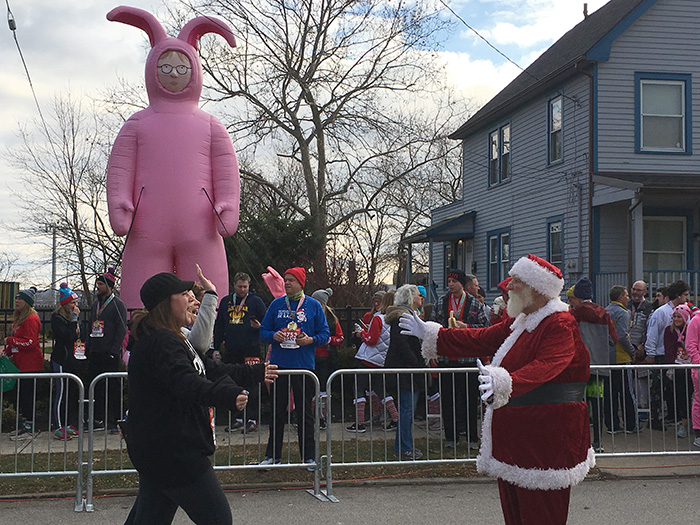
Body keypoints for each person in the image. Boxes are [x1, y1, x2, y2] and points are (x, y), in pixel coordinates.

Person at [400, 254, 593, 525]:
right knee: (516, 512)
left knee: (541, 513)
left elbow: (548, 364)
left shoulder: (559, 323)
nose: (508, 287)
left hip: (545, 440)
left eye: (515, 282)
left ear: (535, 289)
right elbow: (483, 338)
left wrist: (506, 382)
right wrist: (436, 335)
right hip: (518, 437)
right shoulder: (523, 320)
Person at [123, 271, 277, 524]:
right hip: (174, 450)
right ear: (165, 302)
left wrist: (254, 372)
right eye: (185, 295)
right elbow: (186, 383)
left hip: (161, 448)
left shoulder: (175, 338)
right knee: (217, 519)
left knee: (150, 517)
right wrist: (227, 396)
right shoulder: (161, 342)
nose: (193, 300)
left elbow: (212, 369)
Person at [259, 267, 330, 467]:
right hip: (279, 367)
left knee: (305, 413)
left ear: (301, 283)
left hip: (303, 367)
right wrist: (273, 335)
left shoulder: (313, 306)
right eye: (286, 280)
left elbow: (325, 334)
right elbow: (263, 330)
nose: (287, 283)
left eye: (291, 280)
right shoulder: (276, 304)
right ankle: (272, 456)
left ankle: (309, 456)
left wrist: (310, 340)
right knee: (276, 412)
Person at [432, 270, 490, 449]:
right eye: (448, 281)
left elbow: (484, 328)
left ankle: (472, 437)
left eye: (454, 281)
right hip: (446, 358)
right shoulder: (441, 302)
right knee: (447, 399)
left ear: (462, 284)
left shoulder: (474, 303)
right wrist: (432, 352)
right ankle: (451, 437)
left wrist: (467, 327)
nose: (450, 284)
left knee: (469, 400)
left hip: (468, 358)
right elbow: (432, 327)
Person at [213, 272, 267, 433]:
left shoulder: (256, 302)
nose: (242, 289)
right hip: (232, 349)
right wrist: (216, 348)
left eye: (245, 286)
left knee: (252, 383)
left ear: (249, 286)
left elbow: (266, 323)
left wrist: (260, 327)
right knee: (233, 383)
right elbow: (220, 326)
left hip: (251, 349)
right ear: (234, 285)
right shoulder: (225, 302)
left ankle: (252, 419)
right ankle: (237, 418)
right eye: (239, 286)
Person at [568, 278, 617, 451]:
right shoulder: (604, 313)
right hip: (599, 367)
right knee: (597, 405)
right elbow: (613, 340)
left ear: (578, 296)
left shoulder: (572, 314)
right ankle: (598, 442)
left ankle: (579, 443)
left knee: (578, 405)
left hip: (579, 367)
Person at [347, 291, 398, 432]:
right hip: (382, 360)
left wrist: (361, 333)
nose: (376, 304)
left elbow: (372, 340)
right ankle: (396, 418)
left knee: (358, 388)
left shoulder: (378, 318)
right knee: (380, 389)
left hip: (369, 359)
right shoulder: (394, 319)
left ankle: (359, 423)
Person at [384, 284, 425, 460]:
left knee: (407, 409)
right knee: (407, 409)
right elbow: (401, 343)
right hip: (406, 370)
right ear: (410, 298)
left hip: (407, 369)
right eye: (418, 295)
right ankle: (404, 448)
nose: (421, 298)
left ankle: (402, 447)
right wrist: (414, 362)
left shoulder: (408, 315)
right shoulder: (403, 317)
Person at [86, 268, 128, 433]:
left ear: (109, 286)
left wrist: (114, 350)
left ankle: (116, 419)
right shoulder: (95, 305)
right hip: (95, 351)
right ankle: (97, 418)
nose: (98, 286)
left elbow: (121, 329)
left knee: (112, 387)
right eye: (97, 283)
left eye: (101, 283)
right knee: (96, 386)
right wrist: (88, 345)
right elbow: (90, 325)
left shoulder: (119, 305)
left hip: (109, 353)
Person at [644, 280, 690, 429]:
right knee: (657, 388)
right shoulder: (661, 312)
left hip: (677, 357)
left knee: (675, 389)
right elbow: (652, 334)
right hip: (660, 355)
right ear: (677, 295)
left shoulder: (684, 311)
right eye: (684, 295)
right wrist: (650, 353)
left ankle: (675, 415)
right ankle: (654, 417)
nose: (686, 298)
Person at [4, 288, 43, 440]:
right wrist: (8, 351)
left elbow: (30, 342)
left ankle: (29, 429)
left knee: (28, 397)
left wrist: (10, 340)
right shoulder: (20, 319)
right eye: (16, 298)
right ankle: (23, 426)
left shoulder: (31, 319)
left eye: (20, 299)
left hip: (30, 365)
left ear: (27, 302)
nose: (17, 301)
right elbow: (19, 340)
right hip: (20, 365)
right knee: (21, 397)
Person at [50, 283, 84, 440]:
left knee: (71, 393)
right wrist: (73, 320)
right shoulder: (57, 319)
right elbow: (67, 337)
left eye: (76, 303)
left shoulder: (73, 320)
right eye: (72, 303)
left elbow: (77, 337)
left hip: (72, 360)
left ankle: (69, 423)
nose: (74, 306)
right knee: (61, 392)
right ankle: (58, 426)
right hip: (61, 360)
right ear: (64, 304)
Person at [605, 286, 637, 434]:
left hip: (607, 358)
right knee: (627, 393)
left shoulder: (604, 311)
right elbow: (622, 335)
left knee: (610, 394)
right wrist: (632, 351)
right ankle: (631, 424)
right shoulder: (623, 313)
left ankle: (612, 425)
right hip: (621, 357)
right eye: (626, 295)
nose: (628, 297)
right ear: (620, 297)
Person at [311, 288, 344, 430]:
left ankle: (323, 417)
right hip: (311, 356)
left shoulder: (332, 319)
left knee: (323, 388)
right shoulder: (309, 315)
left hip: (326, 357)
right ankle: (313, 415)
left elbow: (341, 338)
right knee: (311, 388)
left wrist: (329, 340)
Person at [663, 304, 693, 439]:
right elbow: (668, 349)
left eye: (679, 316)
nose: (676, 319)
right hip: (678, 368)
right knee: (682, 396)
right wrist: (671, 366)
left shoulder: (692, 330)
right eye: (674, 316)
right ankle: (684, 424)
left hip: (693, 367)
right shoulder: (669, 331)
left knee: (695, 396)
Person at [628, 280, 653, 418]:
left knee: (642, 378)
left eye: (638, 290)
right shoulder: (627, 304)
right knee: (630, 379)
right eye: (634, 289)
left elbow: (650, 328)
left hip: (642, 348)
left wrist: (643, 344)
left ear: (645, 292)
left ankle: (645, 408)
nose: (635, 292)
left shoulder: (649, 307)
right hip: (627, 347)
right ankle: (633, 408)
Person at [684, 312, 700, 448]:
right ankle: (698, 435)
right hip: (699, 368)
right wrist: (698, 363)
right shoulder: (696, 321)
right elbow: (690, 345)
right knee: (699, 400)